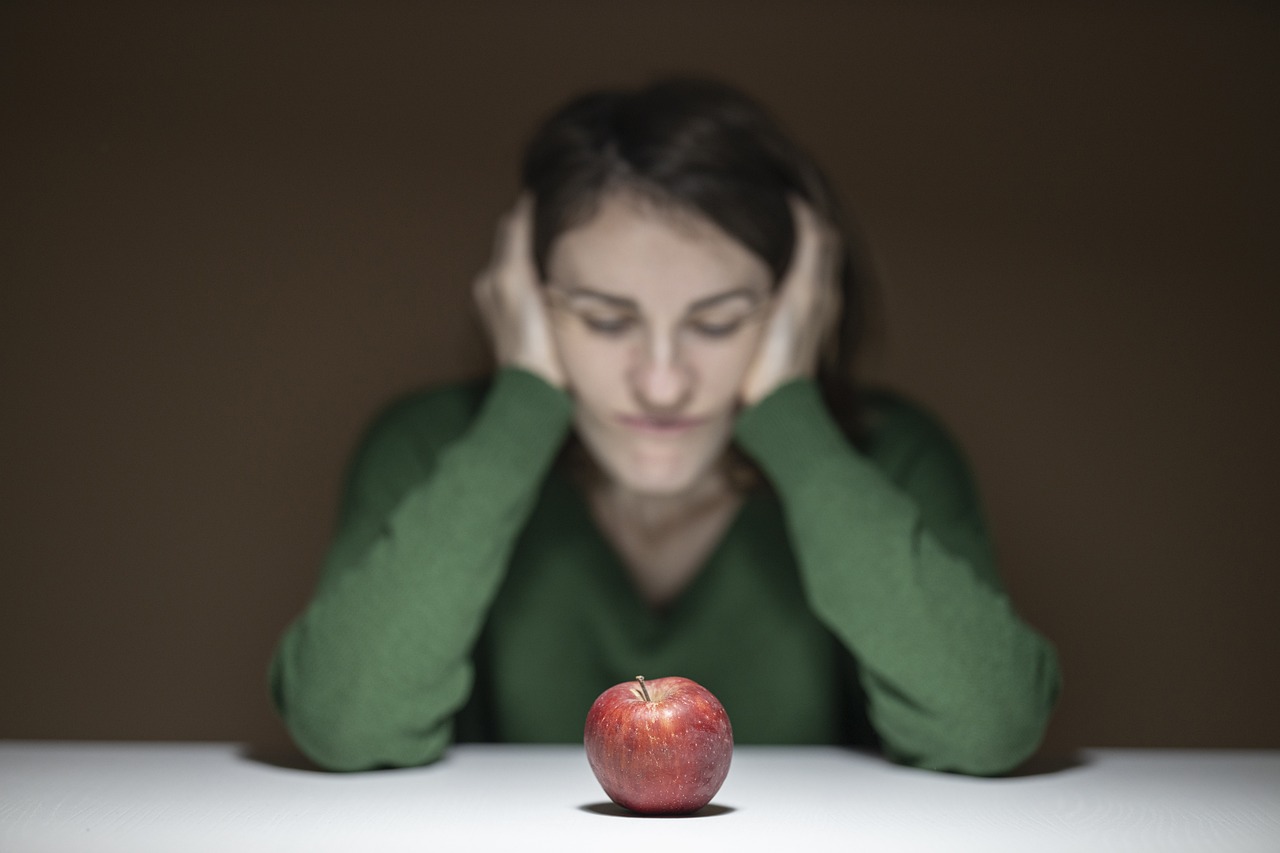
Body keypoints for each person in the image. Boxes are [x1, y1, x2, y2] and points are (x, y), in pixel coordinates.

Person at [269, 78, 1061, 776]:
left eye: (717, 322)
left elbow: (988, 727)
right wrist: (523, 407)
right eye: (606, 318)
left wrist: (793, 419)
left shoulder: (887, 455)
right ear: (527, 303)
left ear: (798, 309)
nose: (661, 380)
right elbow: (345, 723)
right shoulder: (431, 444)